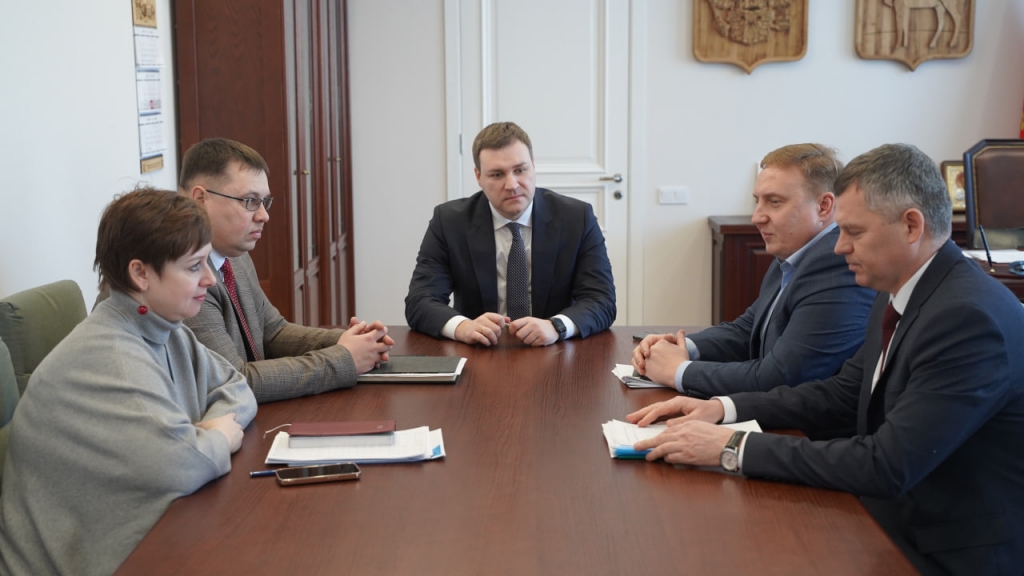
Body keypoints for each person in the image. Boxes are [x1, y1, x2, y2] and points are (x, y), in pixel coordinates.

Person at [628, 144, 1024, 575]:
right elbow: (842, 393)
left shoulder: (967, 318)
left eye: (853, 232)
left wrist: (731, 447)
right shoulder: (901, 289)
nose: (838, 247)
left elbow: (887, 464)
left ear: (911, 225)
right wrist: (723, 408)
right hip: (895, 517)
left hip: (950, 551)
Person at [0, 188, 258, 576]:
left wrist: (200, 434)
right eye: (194, 267)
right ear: (140, 273)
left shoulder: (167, 329)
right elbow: (183, 465)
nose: (210, 279)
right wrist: (218, 436)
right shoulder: (112, 357)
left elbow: (236, 387)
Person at [632, 144, 875, 399]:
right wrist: (681, 346)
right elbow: (749, 329)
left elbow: (781, 377)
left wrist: (679, 371)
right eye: (757, 201)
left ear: (824, 206)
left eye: (775, 202)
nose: (757, 217)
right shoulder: (794, 251)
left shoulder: (837, 263)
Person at [179, 138, 393, 403]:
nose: (263, 215)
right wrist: (344, 358)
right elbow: (234, 381)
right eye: (250, 201)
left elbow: (273, 332)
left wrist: (351, 341)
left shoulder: (235, 255)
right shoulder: (182, 276)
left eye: (264, 202)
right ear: (200, 199)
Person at [405, 121, 616, 346]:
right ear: (478, 176)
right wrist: (463, 327)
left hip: (556, 349)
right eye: (497, 174)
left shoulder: (577, 218)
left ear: (533, 165)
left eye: (520, 170)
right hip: (480, 350)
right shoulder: (449, 222)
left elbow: (601, 300)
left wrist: (557, 326)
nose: (512, 185)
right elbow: (420, 300)